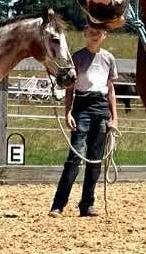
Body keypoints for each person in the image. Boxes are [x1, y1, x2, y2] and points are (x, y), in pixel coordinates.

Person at [50, 26, 119, 217]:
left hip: (101, 108)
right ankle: (58, 204)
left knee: (95, 159)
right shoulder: (77, 58)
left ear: (105, 35)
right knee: (75, 158)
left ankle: (87, 204)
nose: (94, 36)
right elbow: (70, 89)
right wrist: (68, 113)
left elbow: (111, 90)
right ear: (85, 34)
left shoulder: (109, 59)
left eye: (98, 33)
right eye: (91, 32)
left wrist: (114, 118)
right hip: (82, 107)